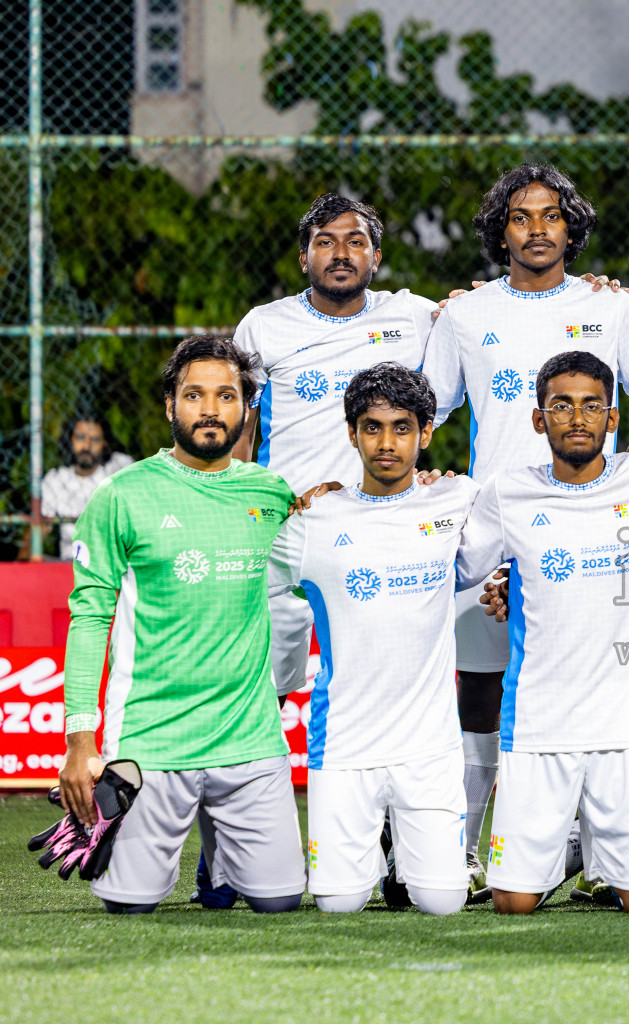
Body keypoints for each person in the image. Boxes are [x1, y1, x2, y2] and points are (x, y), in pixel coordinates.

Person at [424, 165, 629, 897]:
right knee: (481, 691)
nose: (537, 229)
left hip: (594, 529)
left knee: (590, 683)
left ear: (571, 227)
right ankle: (466, 850)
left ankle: (598, 858)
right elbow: (429, 411)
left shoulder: (611, 307)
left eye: (551, 216)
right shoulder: (466, 314)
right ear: (500, 230)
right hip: (496, 529)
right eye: (521, 217)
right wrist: (398, 479)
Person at [58, 335, 305, 915]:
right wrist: (79, 743)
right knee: (129, 906)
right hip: (150, 740)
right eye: (194, 395)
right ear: (170, 405)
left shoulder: (272, 496)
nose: (211, 409)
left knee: (281, 900)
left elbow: (333, 560)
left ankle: (221, 852)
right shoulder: (122, 495)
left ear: (248, 407)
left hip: (249, 736)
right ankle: (172, 847)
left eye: (227, 395)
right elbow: (90, 615)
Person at [458, 351, 629, 915]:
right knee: (512, 903)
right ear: (539, 420)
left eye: (592, 406)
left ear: (612, 419)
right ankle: (573, 852)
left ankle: (594, 848)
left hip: (626, 726)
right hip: (539, 724)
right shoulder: (506, 493)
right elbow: (458, 566)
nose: (577, 418)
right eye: (561, 406)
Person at [265, 363, 473, 916]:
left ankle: (404, 856)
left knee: (443, 902)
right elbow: (246, 580)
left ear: (426, 434)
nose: (387, 443)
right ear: (351, 431)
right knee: (338, 904)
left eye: (402, 427)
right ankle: (374, 858)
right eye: (373, 427)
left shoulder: (457, 502)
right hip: (344, 747)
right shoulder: (312, 520)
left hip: (429, 748)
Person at [232, 193, 440, 703]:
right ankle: (254, 781)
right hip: (285, 525)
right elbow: (242, 426)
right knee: (265, 685)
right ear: (305, 257)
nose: (340, 253)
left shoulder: (413, 316)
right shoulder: (264, 324)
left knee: (372, 683)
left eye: (355, 242)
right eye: (325, 242)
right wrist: (238, 505)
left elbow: (492, 323)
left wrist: (586, 292)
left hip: (378, 523)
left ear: (376, 257)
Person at [42, 415, 134, 558]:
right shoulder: (55, 480)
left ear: (104, 443)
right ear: (70, 439)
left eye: (95, 439)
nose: (86, 445)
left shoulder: (119, 467)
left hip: (114, 563)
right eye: (80, 437)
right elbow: (40, 528)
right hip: (71, 564)